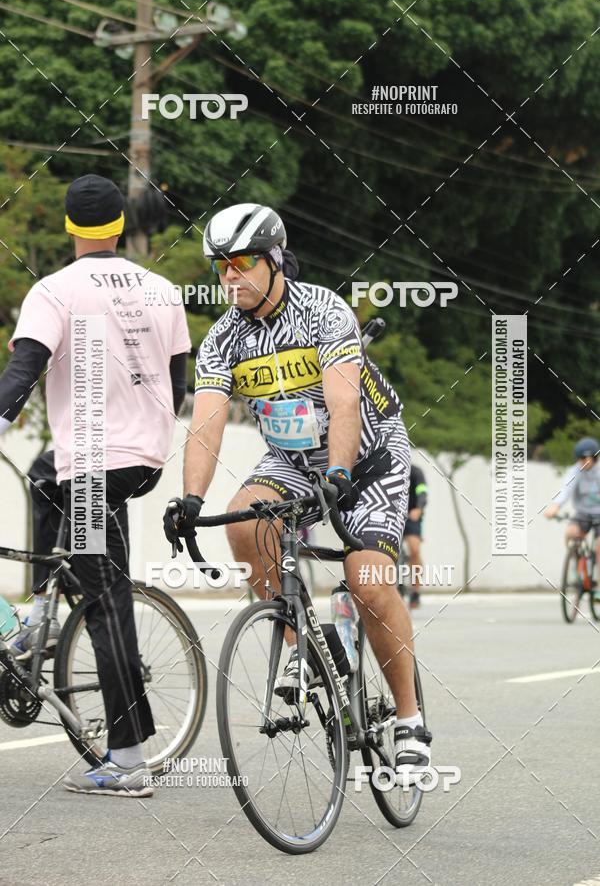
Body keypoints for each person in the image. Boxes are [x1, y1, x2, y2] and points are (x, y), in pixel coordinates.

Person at [163, 202, 432, 780]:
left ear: (275, 259)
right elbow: (205, 425)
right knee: (243, 519)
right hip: (291, 459)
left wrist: (338, 475)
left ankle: (409, 718)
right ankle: (301, 644)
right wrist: (189, 499)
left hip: (367, 457)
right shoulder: (223, 339)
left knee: (367, 581)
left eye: (240, 263)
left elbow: (344, 404)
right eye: (220, 267)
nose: (229, 277)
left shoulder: (323, 311)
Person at [0, 174, 190, 796]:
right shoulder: (163, 290)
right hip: (141, 458)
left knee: (107, 603)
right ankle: (43, 611)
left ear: (69, 226)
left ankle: (129, 757)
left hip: (92, 469)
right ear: (119, 224)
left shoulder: (53, 291)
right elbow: (178, 383)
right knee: (42, 476)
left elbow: (21, 375)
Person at [544, 436, 600, 590]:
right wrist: (556, 507)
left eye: (587, 458)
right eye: (581, 458)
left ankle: (599, 588)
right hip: (583, 513)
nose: (584, 461)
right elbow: (566, 490)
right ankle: (579, 566)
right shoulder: (575, 471)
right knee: (570, 533)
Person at [404, 465, 428, 609]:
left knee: (414, 550)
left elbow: (422, 492)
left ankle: (415, 591)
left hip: (412, 516)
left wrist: (419, 508)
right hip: (391, 515)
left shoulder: (416, 472)